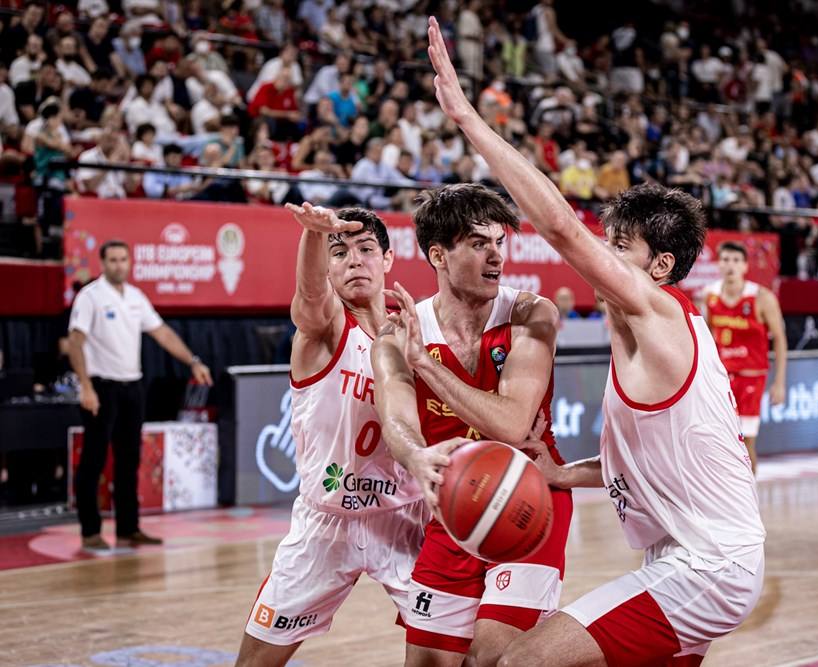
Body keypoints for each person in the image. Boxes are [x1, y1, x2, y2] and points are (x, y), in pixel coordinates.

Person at [425, 18, 764, 666]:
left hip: (703, 567)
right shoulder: (658, 337)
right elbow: (637, 462)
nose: (601, 258)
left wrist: (468, 120)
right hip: (699, 558)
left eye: (618, 247)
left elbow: (557, 225)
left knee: (518, 662)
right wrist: (560, 472)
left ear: (659, 267)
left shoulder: (658, 312)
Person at [371, 182, 572, 667]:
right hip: (454, 512)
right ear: (438, 255)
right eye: (479, 244)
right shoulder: (397, 334)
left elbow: (512, 422)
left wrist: (428, 366)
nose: (496, 257)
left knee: (492, 658)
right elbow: (396, 420)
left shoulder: (530, 313)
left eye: (499, 242)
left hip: (529, 503)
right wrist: (415, 455)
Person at [236, 205, 427, 666]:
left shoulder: (416, 331)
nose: (354, 261)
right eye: (339, 253)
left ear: (388, 258)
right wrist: (313, 237)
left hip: (406, 518)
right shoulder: (323, 328)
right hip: (326, 523)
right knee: (256, 662)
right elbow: (309, 295)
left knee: (450, 654)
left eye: (365, 249)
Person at [67, 240, 212, 552]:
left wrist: (193, 361)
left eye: (124, 259)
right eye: (113, 260)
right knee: (93, 460)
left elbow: (162, 333)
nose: (119, 265)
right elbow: (75, 342)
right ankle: (90, 531)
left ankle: (128, 528)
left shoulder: (135, 297)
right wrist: (86, 387)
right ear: (103, 263)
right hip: (101, 386)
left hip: (132, 387)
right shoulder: (90, 296)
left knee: (128, 459)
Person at [698, 241, 787, 473]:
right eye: (726, 260)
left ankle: (748, 501)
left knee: (745, 445)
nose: (730, 266)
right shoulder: (708, 296)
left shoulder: (761, 297)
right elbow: (703, 340)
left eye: (736, 261)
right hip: (720, 379)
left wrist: (779, 383)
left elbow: (779, 338)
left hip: (751, 377)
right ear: (719, 264)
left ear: (745, 266)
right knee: (716, 442)